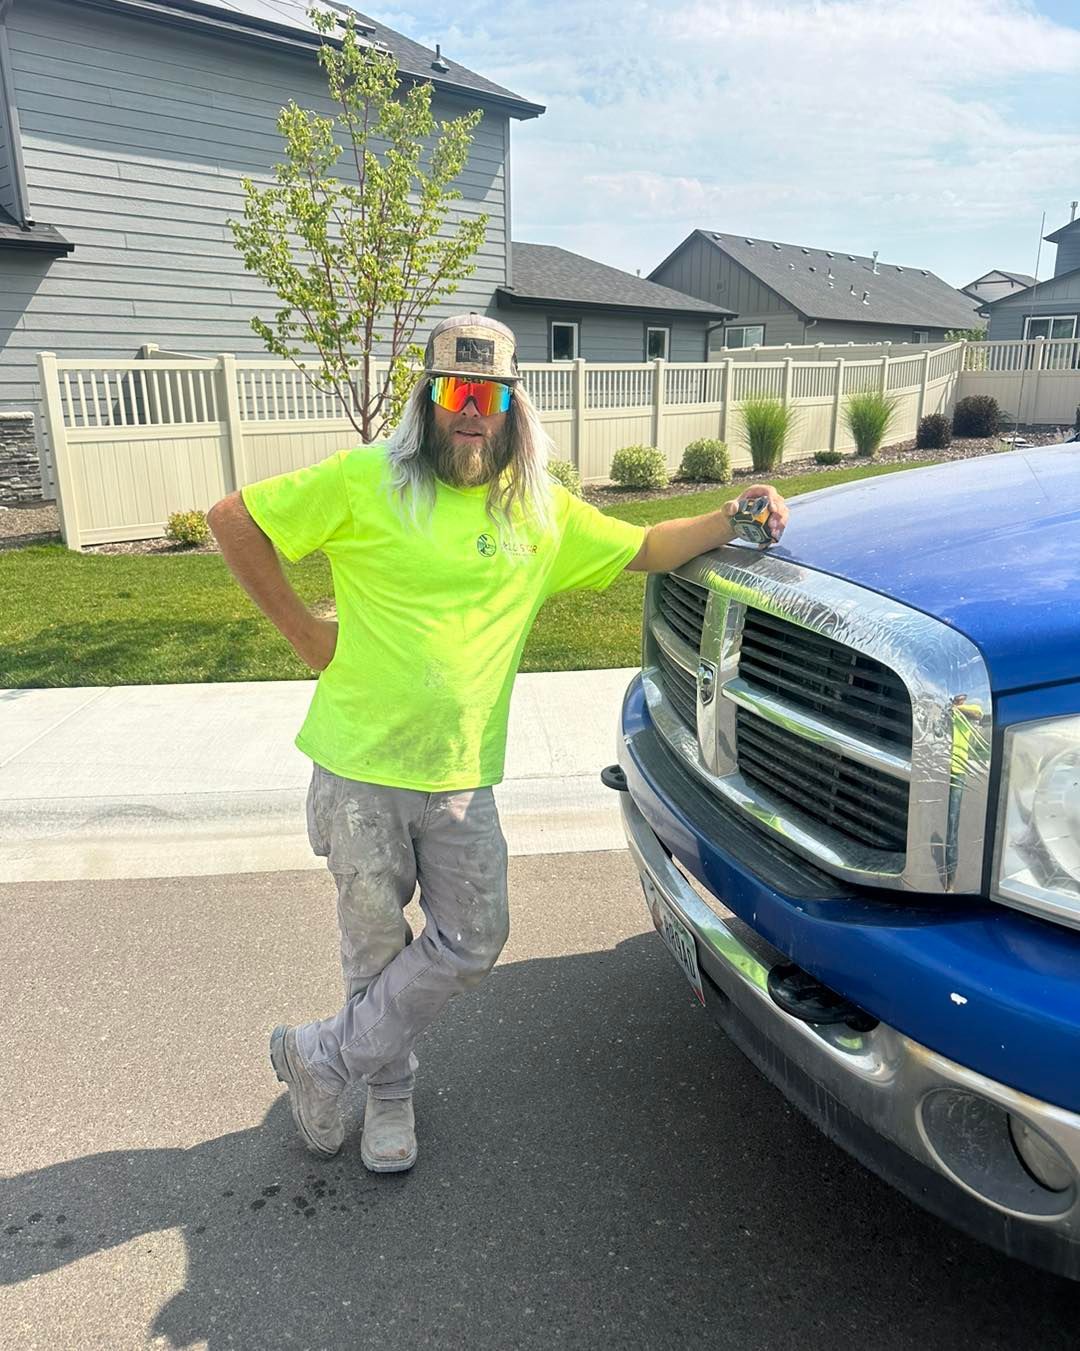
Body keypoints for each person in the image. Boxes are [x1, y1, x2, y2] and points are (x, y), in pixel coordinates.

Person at [207, 313, 788, 1174]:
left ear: (514, 408)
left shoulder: (540, 514)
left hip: (459, 779)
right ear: (429, 400)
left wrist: (732, 516)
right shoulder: (367, 480)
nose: (472, 410)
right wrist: (306, 636)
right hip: (358, 770)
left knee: (475, 934)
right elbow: (234, 519)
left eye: (491, 395)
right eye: (456, 390)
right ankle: (389, 1094)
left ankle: (322, 1056)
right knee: (373, 947)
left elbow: (649, 545)